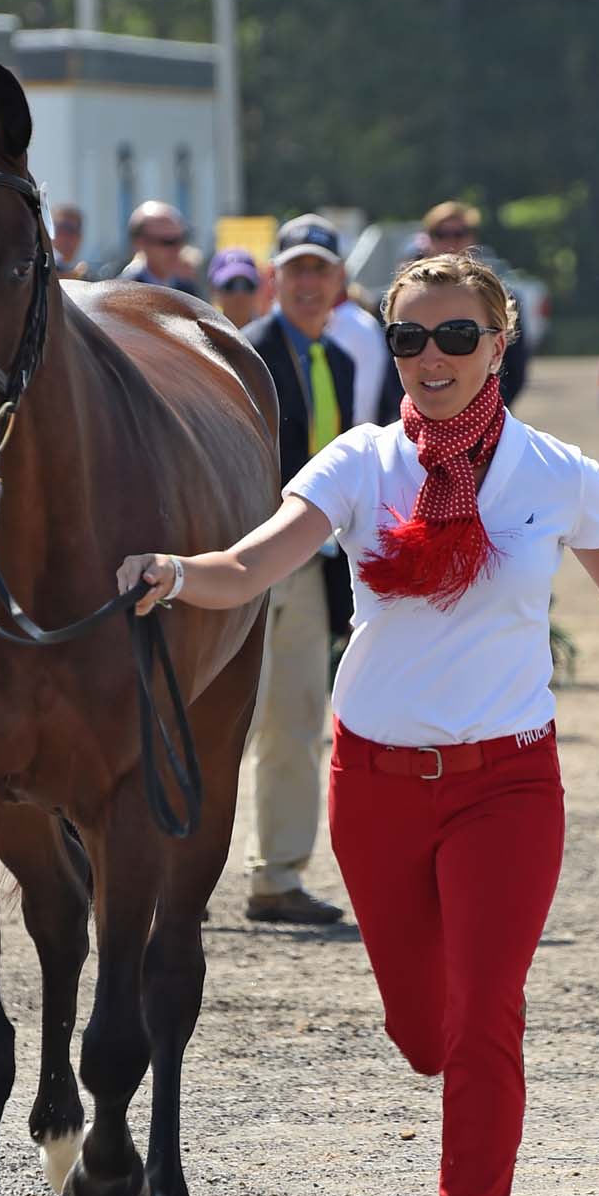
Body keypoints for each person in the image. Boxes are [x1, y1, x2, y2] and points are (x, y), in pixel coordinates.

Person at [118, 252, 599, 1196]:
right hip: (378, 790)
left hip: (511, 787)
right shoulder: (359, 464)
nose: (430, 359)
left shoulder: (557, 473)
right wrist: (173, 568)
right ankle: (442, 1069)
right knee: (422, 1029)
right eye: (408, 339)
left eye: (454, 338)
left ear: (499, 345)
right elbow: (251, 568)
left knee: (488, 1013)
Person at [240, 214, 355, 926]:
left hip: (314, 562)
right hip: (249, 557)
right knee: (222, 721)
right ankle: (164, 872)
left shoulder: (338, 359)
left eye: (321, 270)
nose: (309, 282)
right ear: (274, 278)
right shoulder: (247, 352)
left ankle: (277, 876)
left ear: (339, 282)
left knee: (297, 719)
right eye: (297, 270)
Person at [422, 201, 530, 408]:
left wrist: (484, 409)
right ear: (428, 239)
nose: (451, 241)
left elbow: (515, 369)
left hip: (488, 416)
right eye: (440, 234)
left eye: (459, 233)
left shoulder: (502, 298)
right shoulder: (403, 299)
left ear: (472, 238)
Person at [325, 267, 391, 426]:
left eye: (321, 269)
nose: (309, 280)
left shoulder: (358, 325)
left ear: (340, 275)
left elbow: (361, 414)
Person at [118, 201, 197, 295]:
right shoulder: (123, 293)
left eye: (181, 238)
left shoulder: (186, 288)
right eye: (167, 242)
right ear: (139, 243)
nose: (177, 248)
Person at [208, 247, 261, 329]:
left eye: (247, 285)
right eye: (230, 285)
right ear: (213, 290)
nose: (239, 294)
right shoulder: (203, 335)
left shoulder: (276, 336)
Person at [51, 202, 88, 278]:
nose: (66, 237)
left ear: (79, 237)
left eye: (72, 230)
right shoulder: (41, 266)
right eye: (61, 229)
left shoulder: (83, 271)